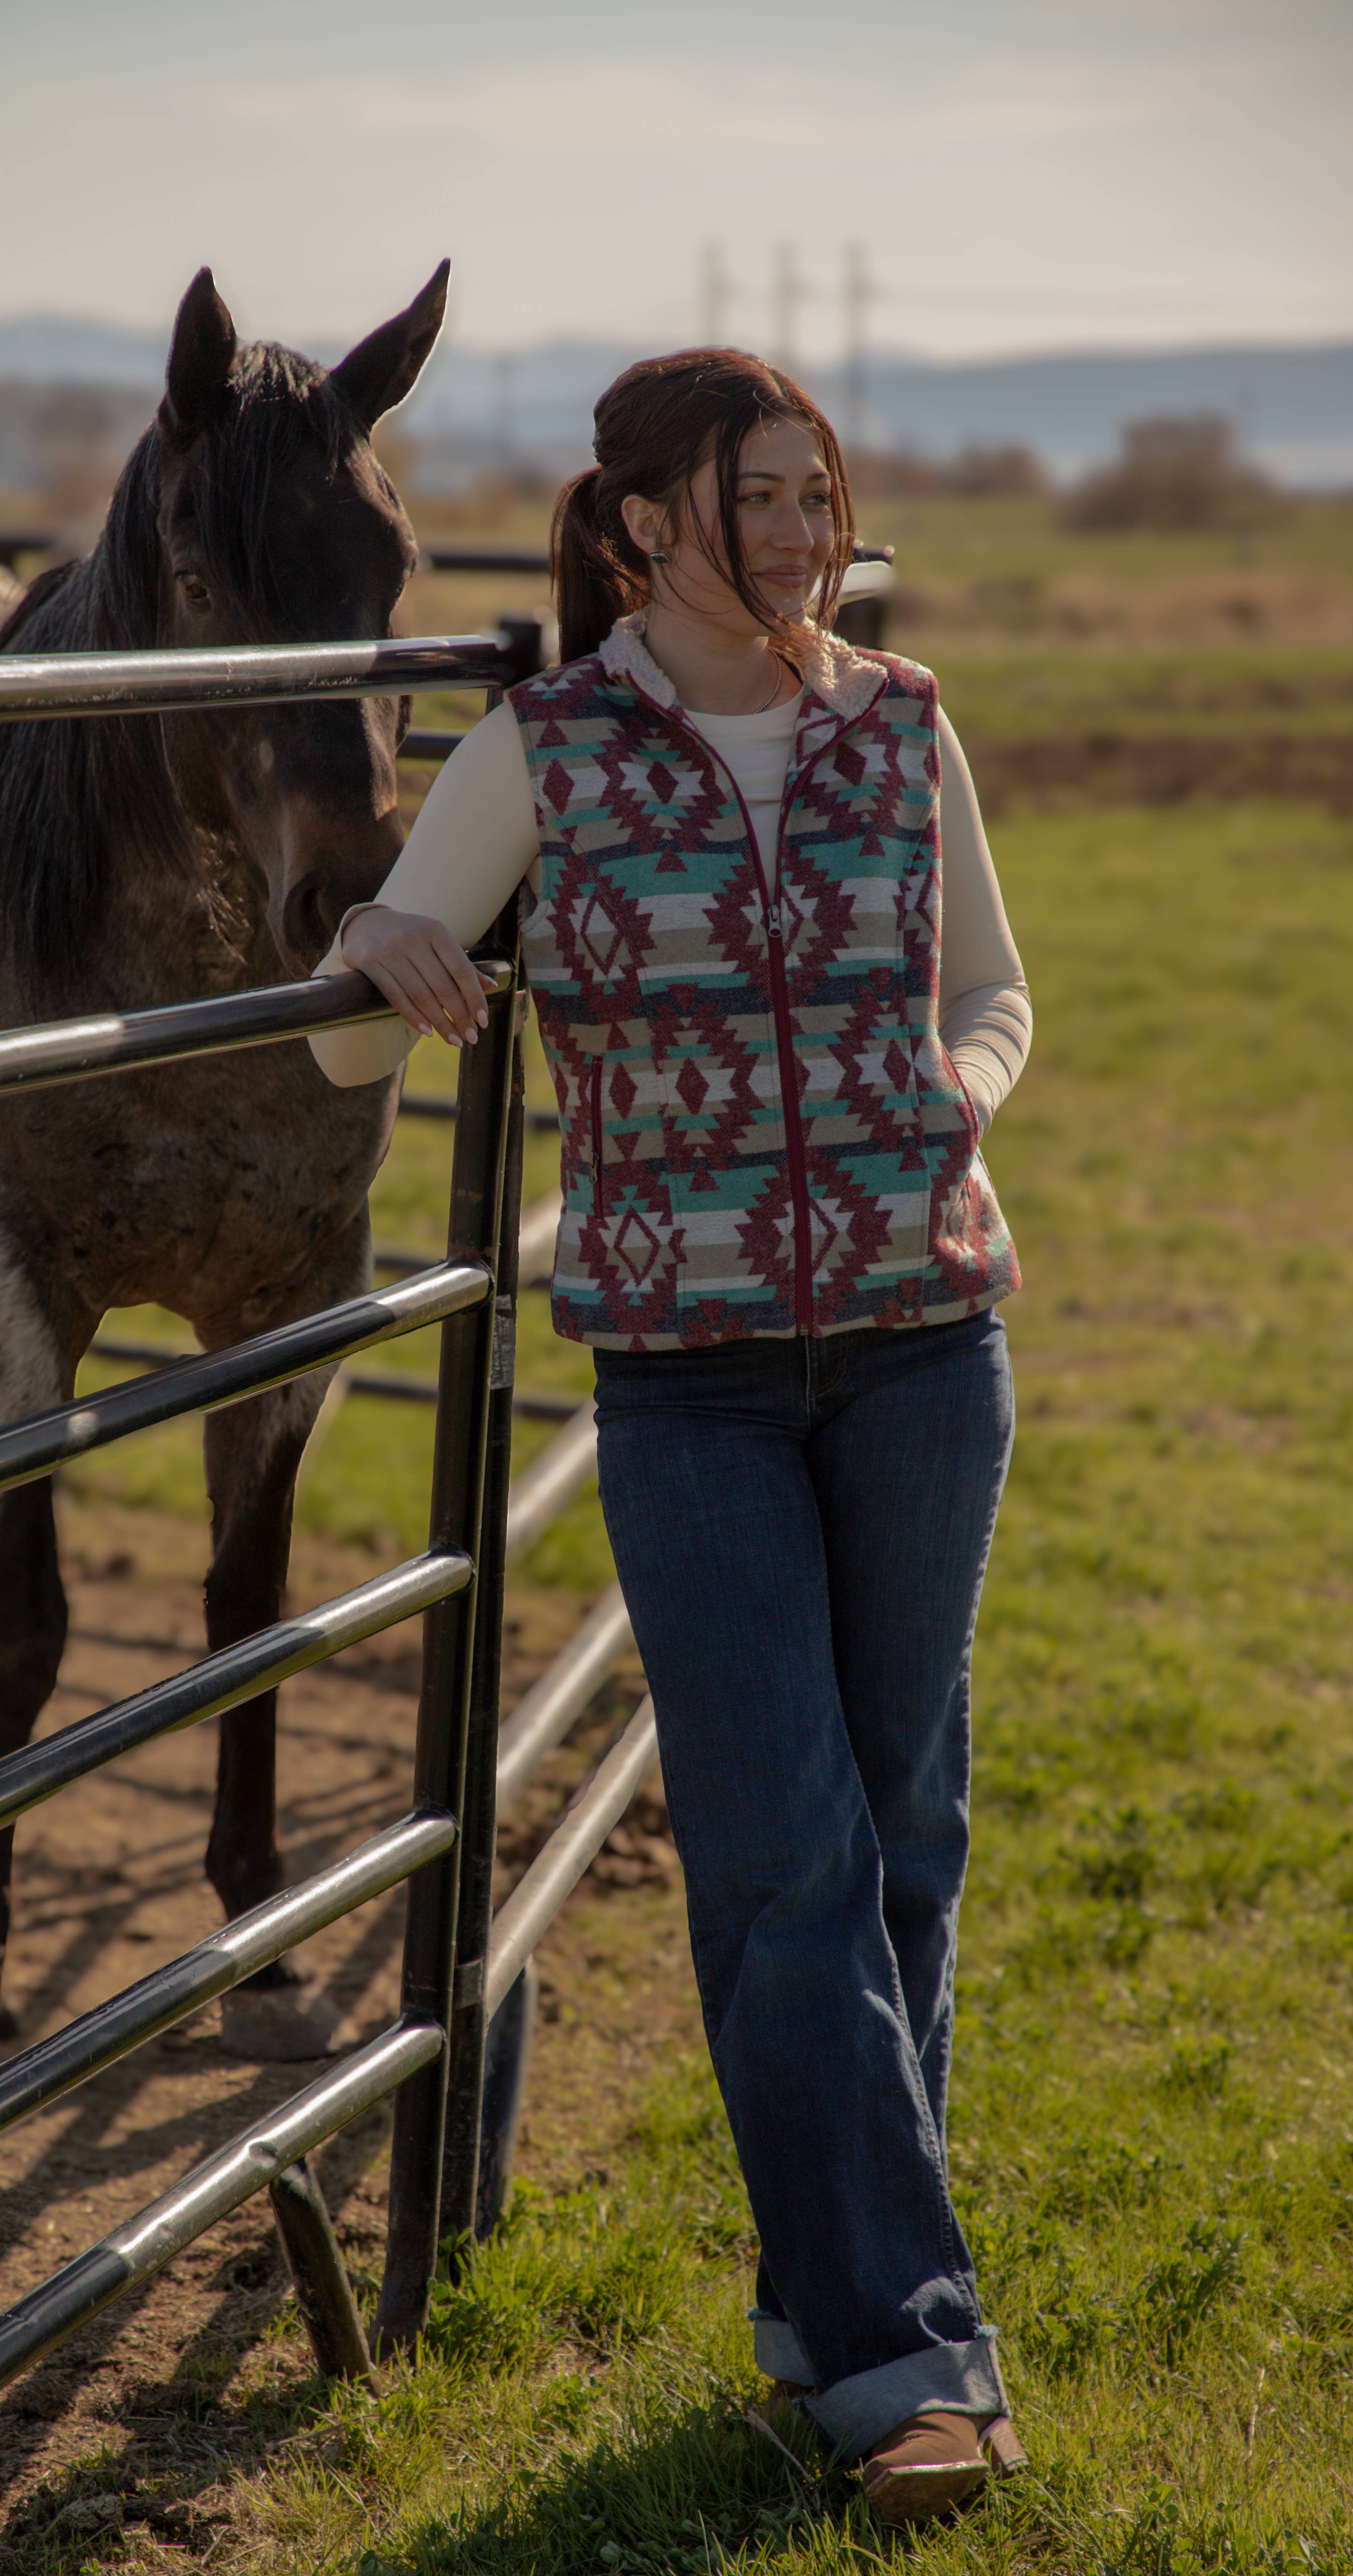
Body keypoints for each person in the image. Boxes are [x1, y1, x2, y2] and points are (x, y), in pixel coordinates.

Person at [309, 348, 1031, 2527]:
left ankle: (827, 2310)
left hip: (925, 1342)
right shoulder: (545, 745)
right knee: (785, 1852)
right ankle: (911, 2351)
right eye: (764, 498)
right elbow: (360, 1043)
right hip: (689, 1375)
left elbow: (994, 985)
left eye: (823, 494)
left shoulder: (900, 722)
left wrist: (959, 1098)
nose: (811, 535)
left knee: (901, 1835)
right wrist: (369, 936)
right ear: (639, 523)